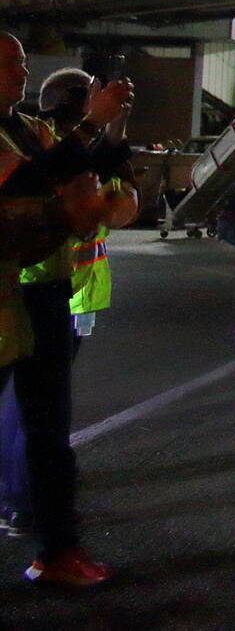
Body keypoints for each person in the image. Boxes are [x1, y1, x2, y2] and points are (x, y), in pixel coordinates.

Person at [0, 53, 134, 588]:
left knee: (50, 429)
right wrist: (94, 123)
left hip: (46, 291)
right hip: (15, 288)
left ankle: (56, 549)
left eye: (24, 64)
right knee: (38, 424)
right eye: (11, 64)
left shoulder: (31, 127)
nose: (22, 73)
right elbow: (30, 182)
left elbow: (78, 173)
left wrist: (112, 127)